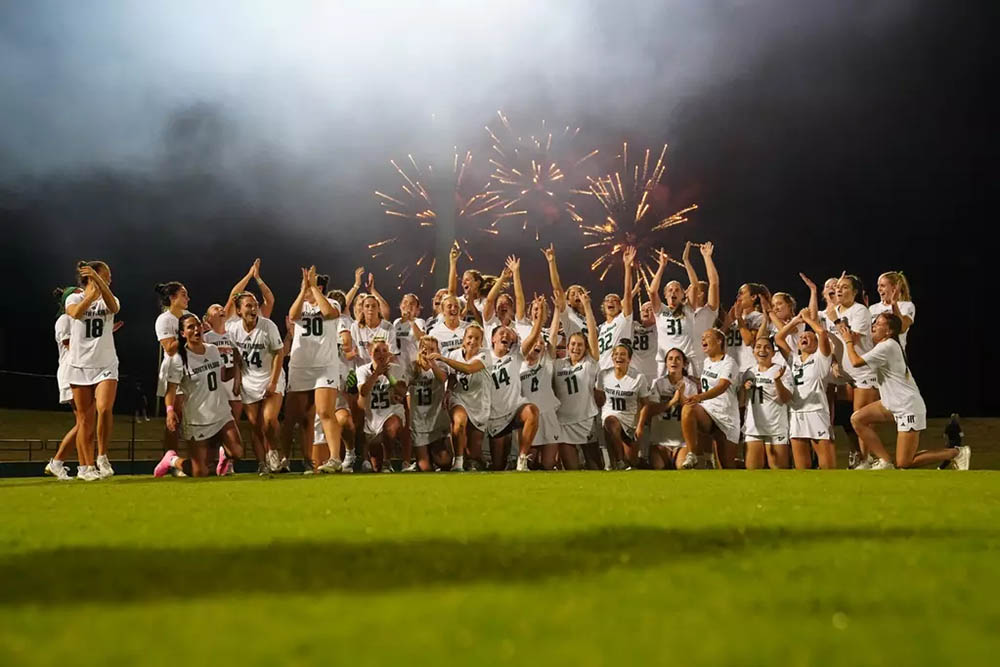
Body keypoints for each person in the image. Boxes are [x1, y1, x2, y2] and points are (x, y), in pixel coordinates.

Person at [839, 313, 970, 470]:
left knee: (904, 463)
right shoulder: (886, 345)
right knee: (858, 419)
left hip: (907, 406)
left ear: (889, 331)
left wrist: (848, 341)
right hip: (891, 404)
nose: (873, 326)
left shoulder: (887, 346)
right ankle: (885, 461)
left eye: (878, 323)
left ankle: (956, 453)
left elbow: (856, 362)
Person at [154, 314, 245, 478]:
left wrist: (238, 365)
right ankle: (172, 460)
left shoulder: (212, 350)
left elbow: (222, 376)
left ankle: (221, 453)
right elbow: (171, 390)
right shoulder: (179, 359)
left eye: (198, 325)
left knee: (237, 452)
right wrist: (169, 411)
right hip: (198, 419)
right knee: (199, 472)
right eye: (190, 327)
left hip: (221, 413)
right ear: (182, 333)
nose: (196, 329)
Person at [283, 267, 344, 474]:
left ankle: (335, 458)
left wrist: (314, 289)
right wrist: (303, 290)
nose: (305, 287)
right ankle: (294, 460)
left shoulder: (332, 302)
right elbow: (293, 316)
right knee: (296, 416)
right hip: (301, 366)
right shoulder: (301, 304)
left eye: (309, 284)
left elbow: (328, 313)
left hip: (325, 365)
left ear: (318, 288)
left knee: (325, 411)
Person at [64, 260, 120, 481]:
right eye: (106, 274)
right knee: (85, 420)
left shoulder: (110, 299)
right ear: (92, 276)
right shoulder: (74, 297)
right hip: (79, 365)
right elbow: (76, 313)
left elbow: (114, 308)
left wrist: (100, 287)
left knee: (104, 409)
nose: (110, 278)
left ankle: (102, 455)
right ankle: (85, 467)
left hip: (106, 363)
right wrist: (92, 290)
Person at [226, 291, 285, 476]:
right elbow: (236, 356)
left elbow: (279, 353)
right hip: (249, 381)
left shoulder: (268, 326)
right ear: (238, 310)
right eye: (248, 305)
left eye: (255, 305)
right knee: (255, 425)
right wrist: (237, 379)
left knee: (268, 420)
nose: (253, 309)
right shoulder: (233, 329)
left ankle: (274, 452)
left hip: (270, 376)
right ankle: (262, 464)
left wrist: (273, 382)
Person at [484, 297, 545, 471]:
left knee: (532, 411)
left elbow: (533, 336)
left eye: (507, 334)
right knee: (498, 465)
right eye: (500, 333)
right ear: (493, 339)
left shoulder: (515, 355)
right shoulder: (483, 357)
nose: (504, 335)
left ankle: (522, 459)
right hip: (496, 416)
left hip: (515, 409)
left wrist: (539, 317)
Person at [826, 273, 879, 467]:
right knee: (847, 418)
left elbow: (853, 338)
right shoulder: (835, 310)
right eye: (838, 286)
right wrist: (833, 361)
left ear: (855, 292)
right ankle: (859, 454)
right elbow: (833, 342)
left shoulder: (860, 311)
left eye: (845, 287)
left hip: (863, 371)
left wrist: (836, 320)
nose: (839, 289)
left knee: (861, 418)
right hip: (844, 374)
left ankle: (867, 459)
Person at [776, 310, 836, 470]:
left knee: (828, 466)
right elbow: (778, 338)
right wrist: (795, 321)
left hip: (816, 411)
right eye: (802, 337)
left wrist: (808, 320)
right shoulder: (793, 359)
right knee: (802, 467)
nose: (804, 337)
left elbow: (822, 332)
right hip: (796, 412)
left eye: (809, 337)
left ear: (816, 345)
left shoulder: (820, 358)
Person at [429, 324, 491, 471]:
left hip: (479, 403)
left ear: (481, 342)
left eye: (477, 338)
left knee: (473, 452)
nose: (472, 341)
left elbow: (468, 369)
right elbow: (451, 376)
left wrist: (443, 359)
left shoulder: (485, 355)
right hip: (460, 397)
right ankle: (457, 462)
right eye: (469, 337)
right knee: (460, 421)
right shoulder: (454, 354)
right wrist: (448, 391)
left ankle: (474, 459)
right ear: (463, 339)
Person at [553, 290, 602, 470]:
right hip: (563, 422)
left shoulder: (590, 363)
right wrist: (557, 310)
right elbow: (551, 342)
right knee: (572, 470)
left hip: (586, 420)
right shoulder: (558, 364)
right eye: (573, 344)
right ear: (567, 346)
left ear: (585, 348)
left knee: (595, 467)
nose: (576, 347)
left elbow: (592, 335)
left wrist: (587, 307)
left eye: (580, 345)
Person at [679, 328, 741, 469]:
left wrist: (700, 396)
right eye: (702, 337)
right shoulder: (707, 362)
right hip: (709, 410)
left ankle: (716, 462)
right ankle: (692, 454)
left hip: (726, 416)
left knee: (727, 466)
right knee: (688, 409)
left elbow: (722, 386)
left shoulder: (729, 363)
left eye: (707, 336)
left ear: (719, 341)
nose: (703, 340)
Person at [519, 291, 565, 469]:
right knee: (530, 461)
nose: (538, 344)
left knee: (548, 464)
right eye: (535, 309)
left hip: (548, 412)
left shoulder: (547, 357)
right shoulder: (520, 360)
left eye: (541, 343)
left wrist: (557, 309)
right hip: (529, 414)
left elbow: (552, 334)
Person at [638, 348, 700, 470]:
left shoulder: (690, 386)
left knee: (682, 468)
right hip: (660, 441)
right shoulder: (658, 383)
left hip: (681, 442)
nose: (674, 361)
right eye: (670, 358)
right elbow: (651, 410)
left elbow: (693, 413)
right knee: (658, 468)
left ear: (684, 363)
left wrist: (681, 396)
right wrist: (671, 402)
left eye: (678, 358)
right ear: (666, 363)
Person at [45, 287, 82, 480]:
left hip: (78, 371)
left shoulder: (76, 319)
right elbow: (71, 346)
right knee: (85, 421)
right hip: (70, 372)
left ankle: (77, 464)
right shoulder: (64, 320)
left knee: (86, 422)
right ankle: (58, 462)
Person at [596, 343, 650, 469]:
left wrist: (640, 426)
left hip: (630, 421)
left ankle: (638, 464)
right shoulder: (603, 375)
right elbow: (599, 398)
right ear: (612, 357)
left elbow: (645, 404)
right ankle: (618, 463)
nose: (618, 357)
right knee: (610, 422)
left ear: (629, 359)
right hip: (611, 417)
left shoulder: (638, 378)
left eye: (622, 354)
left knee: (632, 461)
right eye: (616, 354)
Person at [741, 337, 793, 470]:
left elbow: (786, 398)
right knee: (753, 472)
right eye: (758, 347)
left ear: (773, 352)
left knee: (779, 472)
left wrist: (777, 381)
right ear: (753, 351)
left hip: (776, 427)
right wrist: (743, 388)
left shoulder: (782, 370)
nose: (762, 350)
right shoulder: (749, 372)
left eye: (767, 347)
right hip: (753, 427)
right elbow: (741, 402)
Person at [357, 339, 407, 472]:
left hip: (391, 413)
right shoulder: (363, 370)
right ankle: (364, 458)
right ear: (370, 353)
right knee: (375, 468)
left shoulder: (397, 368)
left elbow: (402, 391)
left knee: (391, 426)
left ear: (389, 353)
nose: (381, 354)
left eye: (384, 350)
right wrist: (376, 374)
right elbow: (363, 392)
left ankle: (387, 461)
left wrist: (388, 376)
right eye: (377, 350)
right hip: (372, 417)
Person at [154, 281, 190, 462]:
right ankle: (170, 458)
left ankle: (195, 459)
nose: (188, 298)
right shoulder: (164, 319)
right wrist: (188, 336)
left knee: (191, 417)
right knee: (174, 417)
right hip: (173, 369)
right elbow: (169, 348)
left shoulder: (190, 316)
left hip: (190, 370)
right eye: (184, 295)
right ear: (172, 297)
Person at [406, 336, 453, 471]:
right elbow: (405, 384)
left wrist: (432, 363)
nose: (428, 352)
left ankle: (433, 456)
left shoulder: (441, 365)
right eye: (425, 349)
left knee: (445, 461)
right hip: (419, 422)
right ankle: (423, 460)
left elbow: (442, 378)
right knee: (425, 469)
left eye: (432, 349)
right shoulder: (413, 367)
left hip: (437, 420)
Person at [596, 246, 636, 369]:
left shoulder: (623, 319)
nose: (611, 301)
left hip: (618, 369)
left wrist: (627, 267)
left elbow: (627, 294)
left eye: (615, 300)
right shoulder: (600, 328)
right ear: (603, 306)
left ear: (620, 306)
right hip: (600, 372)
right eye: (608, 300)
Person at [869, 271, 915, 349]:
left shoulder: (906, 306)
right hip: (874, 353)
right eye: (878, 286)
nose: (878, 289)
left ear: (894, 288)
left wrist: (894, 303)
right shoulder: (872, 308)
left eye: (882, 286)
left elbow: (902, 328)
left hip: (893, 353)